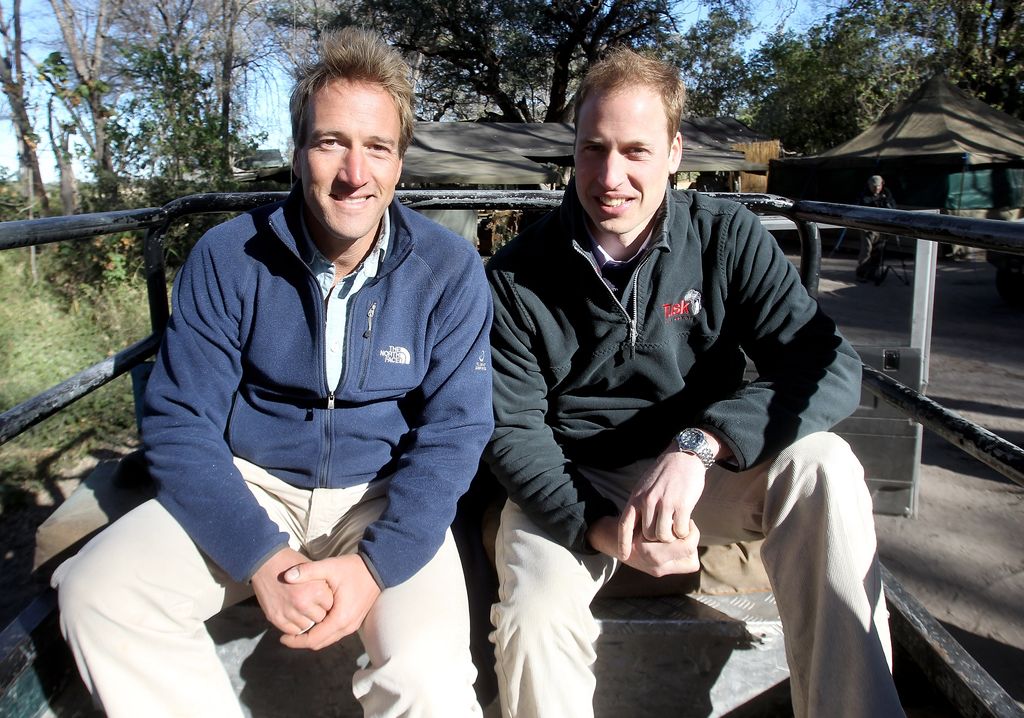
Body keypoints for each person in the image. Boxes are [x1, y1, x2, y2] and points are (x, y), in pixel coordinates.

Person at [52, 27, 493, 717]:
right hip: (251, 485)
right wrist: (261, 557)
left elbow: (457, 431)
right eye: (330, 143)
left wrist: (374, 566)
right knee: (98, 593)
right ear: (296, 152)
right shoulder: (229, 256)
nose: (354, 172)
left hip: (382, 495)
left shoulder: (448, 268)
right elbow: (180, 420)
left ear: (400, 162)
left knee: (429, 680)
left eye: (377, 147)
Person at [483, 47, 904, 718]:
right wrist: (601, 528)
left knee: (823, 464)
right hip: (578, 479)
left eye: (636, 151)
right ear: (574, 150)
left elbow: (827, 365)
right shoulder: (514, 275)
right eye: (593, 149)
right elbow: (512, 430)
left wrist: (701, 444)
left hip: (703, 475)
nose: (611, 177)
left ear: (675, 153)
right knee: (532, 620)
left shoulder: (726, 237)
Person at [856, 174, 897, 282]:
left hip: (882, 228)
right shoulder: (864, 195)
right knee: (866, 251)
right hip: (868, 228)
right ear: (869, 185)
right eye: (874, 186)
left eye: (878, 186)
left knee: (878, 252)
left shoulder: (886, 193)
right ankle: (861, 274)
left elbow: (893, 207)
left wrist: (886, 203)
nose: (876, 188)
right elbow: (861, 208)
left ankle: (872, 273)